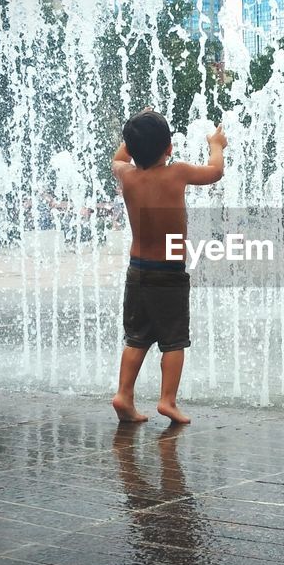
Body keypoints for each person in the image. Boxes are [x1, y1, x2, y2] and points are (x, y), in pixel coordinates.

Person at [110, 108, 227, 424]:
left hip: (137, 271)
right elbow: (215, 172)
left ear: (131, 150)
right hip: (169, 274)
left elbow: (119, 157)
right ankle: (168, 401)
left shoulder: (126, 174)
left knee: (136, 338)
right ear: (169, 148)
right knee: (173, 340)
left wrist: (134, 128)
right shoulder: (177, 172)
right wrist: (217, 144)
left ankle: (124, 395)